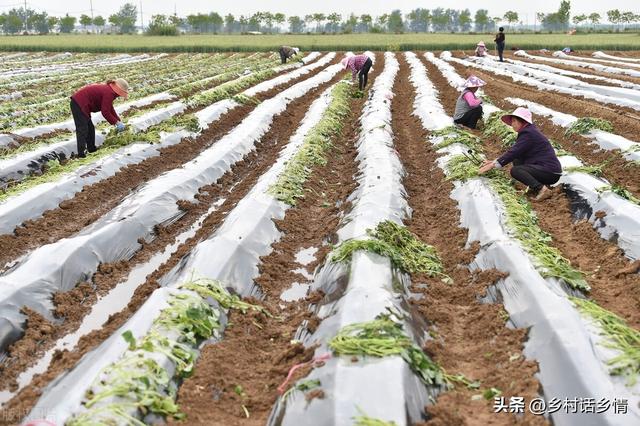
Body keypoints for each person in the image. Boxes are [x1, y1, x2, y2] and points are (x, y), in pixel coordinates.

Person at [478, 107, 562, 201]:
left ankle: (542, 189)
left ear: (522, 121)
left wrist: (493, 164)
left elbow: (513, 152)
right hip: (547, 170)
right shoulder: (529, 131)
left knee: (516, 170)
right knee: (517, 159)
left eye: (514, 121)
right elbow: (515, 153)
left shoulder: (528, 133)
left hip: (550, 172)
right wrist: (494, 161)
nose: (512, 124)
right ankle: (535, 186)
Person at [70, 79, 128, 158]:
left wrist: (118, 120)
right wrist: (116, 123)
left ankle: (91, 149)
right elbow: (105, 112)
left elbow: (109, 108)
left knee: (90, 128)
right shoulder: (109, 93)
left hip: (81, 104)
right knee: (82, 129)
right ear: (118, 91)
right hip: (79, 103)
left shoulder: (109, 91)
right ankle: (81, 154)